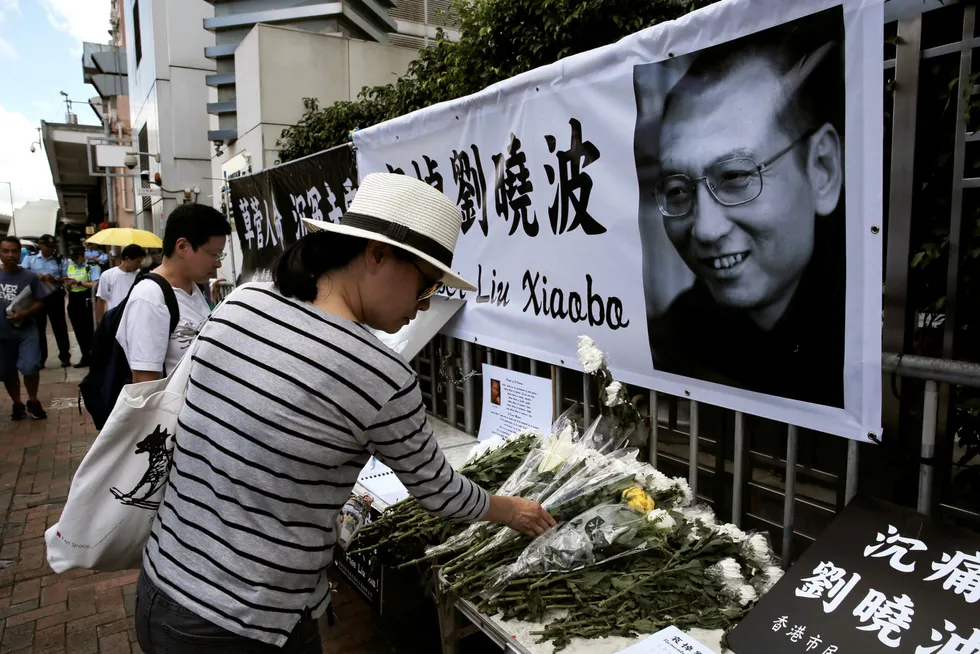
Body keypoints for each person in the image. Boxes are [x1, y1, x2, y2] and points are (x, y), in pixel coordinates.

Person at [133, 173, 556, 654]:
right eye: (424, 287)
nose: (421, 309)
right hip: (244, 619)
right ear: (377, 255)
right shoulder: (379, 373)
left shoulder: (241, 302)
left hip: (161, 581)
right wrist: (514, 510)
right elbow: (440, 493)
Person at [636, 21, 845, 408]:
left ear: (823, 168)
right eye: (678, 191)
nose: (705, 229)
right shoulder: (676, 338)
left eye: (734, 177)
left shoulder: (870, 332)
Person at [116, 204, 231, 383]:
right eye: (215, 254)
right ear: (183, 247)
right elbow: (144, 386)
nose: (218, 264)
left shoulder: (194, 288)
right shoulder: (149, 298)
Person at [0, 236, 49, 420]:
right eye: (6, 251)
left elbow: (40, 302)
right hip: (3, 334)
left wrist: (25, 313)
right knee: (6, 372)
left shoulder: (29, 277)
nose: (10, 255)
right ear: (0, 253)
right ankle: (17, 404)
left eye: (14, 251)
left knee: (29, 367)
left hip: (25, 332)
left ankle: (33, 401)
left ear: (20, 253)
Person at [23, 234, 71, 368]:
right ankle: (40, 359)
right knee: (38, 329)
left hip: (54, 296)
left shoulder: (59, 259)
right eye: (47, 246)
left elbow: (66, 278)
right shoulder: (30, 258)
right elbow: (22, 273)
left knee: (60, 327)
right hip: (37, 297)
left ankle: (65, 357)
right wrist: (35, 276)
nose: (50, 249)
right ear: (40, 245)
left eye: (52, 246)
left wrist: (54, 278)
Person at [64, 247, 101, 368]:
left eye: (77, 258)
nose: (75, 261)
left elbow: (96, 285)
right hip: (74, 299)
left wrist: (79, 283)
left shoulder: (92, 267)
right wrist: (68, 285)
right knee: (78, 331)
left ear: (82, 255)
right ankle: (85, 356)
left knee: (90, 329)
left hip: (87, 299)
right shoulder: (70, 267)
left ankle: (94, 356)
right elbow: (68, 287)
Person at [95, 244, 147, 322]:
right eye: (137, 262)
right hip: (115, 320)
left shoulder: (140, 276)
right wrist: (100, 323)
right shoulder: (108, 275)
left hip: (135, 319)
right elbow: (101, 299)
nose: (139, 265)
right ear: (127, 259)